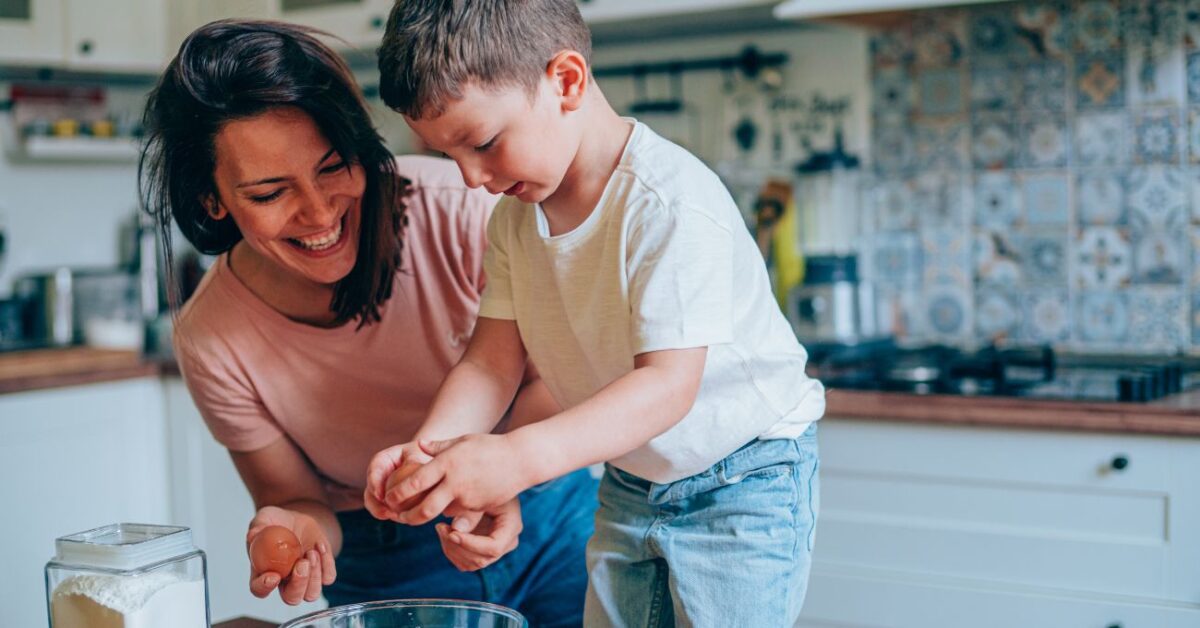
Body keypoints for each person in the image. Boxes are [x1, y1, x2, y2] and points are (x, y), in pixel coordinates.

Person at [364, 1, 826, 626]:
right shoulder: (514, 219)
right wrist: (433, 458)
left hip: (744, 480)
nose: (471, 178)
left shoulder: (667, 202)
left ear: (567, 81)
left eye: (483, 143)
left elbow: (666, 388)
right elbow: (491, 362)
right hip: (633, 479)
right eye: (450, 157)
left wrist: (514, 462)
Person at [138, 20, 597, 626]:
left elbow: (556, 378)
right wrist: (296, 528)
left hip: (550, 515)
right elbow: (297, 497)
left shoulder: (466, 212)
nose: (320, 211)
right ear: (212, 200)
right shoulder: (212, 337)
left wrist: (498, 471)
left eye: (332, 168)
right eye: (271, 193)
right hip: (389, 564)